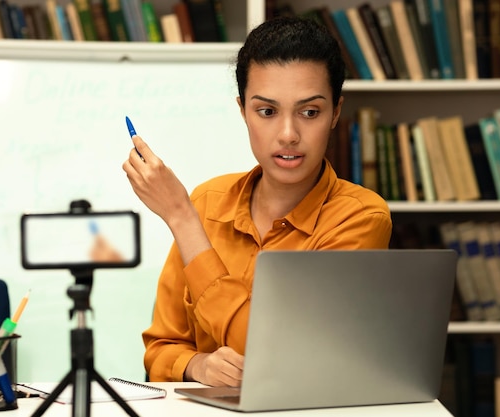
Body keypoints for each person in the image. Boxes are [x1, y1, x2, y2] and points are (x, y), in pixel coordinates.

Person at [122, 16, 392, 388]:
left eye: (309, 112)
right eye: (267, 111)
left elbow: (274, 356)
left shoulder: (360, 218)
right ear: (242, 110)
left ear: (335, 113)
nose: (288, 134)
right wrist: (197, 366)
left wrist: (181, 219)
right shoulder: (207, 202)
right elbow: (160, 350)